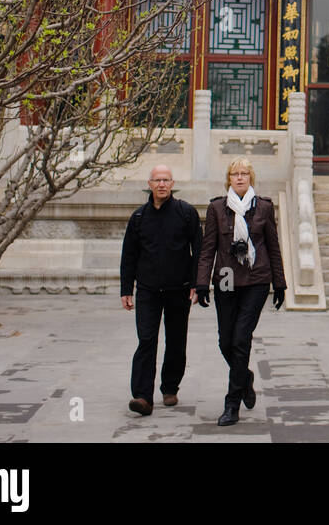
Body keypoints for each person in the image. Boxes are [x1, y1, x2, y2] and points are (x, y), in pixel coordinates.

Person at [195, 157, 285, 427]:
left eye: (245, 173)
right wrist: (201, 283)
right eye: (235, 173)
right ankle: (244, 378)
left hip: (256, 279)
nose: (240, 177)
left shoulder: (264, 208)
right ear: (228, 179)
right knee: (225, 341)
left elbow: (273, 246)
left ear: (251, 177)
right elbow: (208, 248)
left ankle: (232, 403)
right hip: (225, 278)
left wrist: (279, 283)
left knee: (241, 339)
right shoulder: (217, 208)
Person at [119, 165, 201, 416]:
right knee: (146, 340)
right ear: (150, 184)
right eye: (157, 180)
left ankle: (169, 388)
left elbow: (198, 251)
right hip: (148, 290)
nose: (162, 184)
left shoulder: (186, 213)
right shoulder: (139, 217)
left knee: (176, 341)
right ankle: (143, 396)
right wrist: (126, 288)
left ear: (173, 183)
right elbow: (129, 255)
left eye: (166, 180)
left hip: (179, 289)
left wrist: (198, 284)